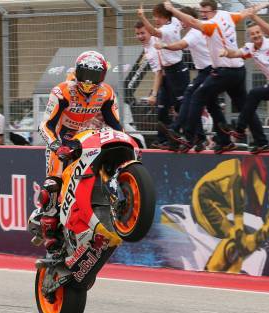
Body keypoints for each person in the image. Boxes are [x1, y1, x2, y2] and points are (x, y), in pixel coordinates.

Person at [36, 50, 123, 251]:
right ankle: (48, 228)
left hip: (88, 142)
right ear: (77, 72)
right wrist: (56, 146)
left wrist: (121, 144)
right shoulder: (62, 91)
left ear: (102, 77)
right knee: (52, 184)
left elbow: (116, 126)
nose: (89, 82)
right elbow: (44, 125)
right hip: (62, 143)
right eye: (86, 75)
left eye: (95, 77)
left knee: (104, 174)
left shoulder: (107, 93)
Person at [163, 0, 269, 154]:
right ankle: (262, 142)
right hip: (238, 70)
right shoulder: (227, 15)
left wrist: (172, 9)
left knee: (197, 97)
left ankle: (188, 137)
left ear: (212, 11)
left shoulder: (211, 25)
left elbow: (192, 21)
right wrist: (262, 5)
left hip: (224, 71)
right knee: (244, 106)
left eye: (204, 12)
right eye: (201, 12)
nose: (202, 15)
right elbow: (246, 12)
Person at [155, 6, 219, 153]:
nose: (180, 22)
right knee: (209, 104)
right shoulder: (196, 30)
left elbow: (180, 45)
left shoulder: (194, 33)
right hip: (206, 70)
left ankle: (177, 129)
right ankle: (200, 139)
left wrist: (164, 45)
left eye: (182, 19)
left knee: (191, 97)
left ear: (188, 18)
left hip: (209, 70)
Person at [218, 22, 269, 154]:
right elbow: (237, 53)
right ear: (249, 36)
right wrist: (226, 52)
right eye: (252, 34)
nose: (256, 35)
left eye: (258, 32)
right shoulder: (251, 48)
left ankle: (239, 129)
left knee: (254, 94)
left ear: (263, 33)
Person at [138, 4, 190, 149]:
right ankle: (167, 139)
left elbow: (154, 31)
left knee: (181, 106)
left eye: (160, 17)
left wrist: (142, 16)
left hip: (176, 70)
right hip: (168, 75)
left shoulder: (162, 31)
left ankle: (188, 136)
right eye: (155, 16)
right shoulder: (172, 23)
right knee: (162, 110)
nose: (156, 19)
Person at [134, 21, 165, 148]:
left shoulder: (154, 45)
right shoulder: (147, 46)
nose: (140, 36)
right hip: (166, 80)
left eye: (143, 33)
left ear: (150, 32)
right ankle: (163, 140)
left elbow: (159, 72)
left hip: (171, 79)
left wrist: (154, 94)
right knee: (162, 113)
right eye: (137, 34)